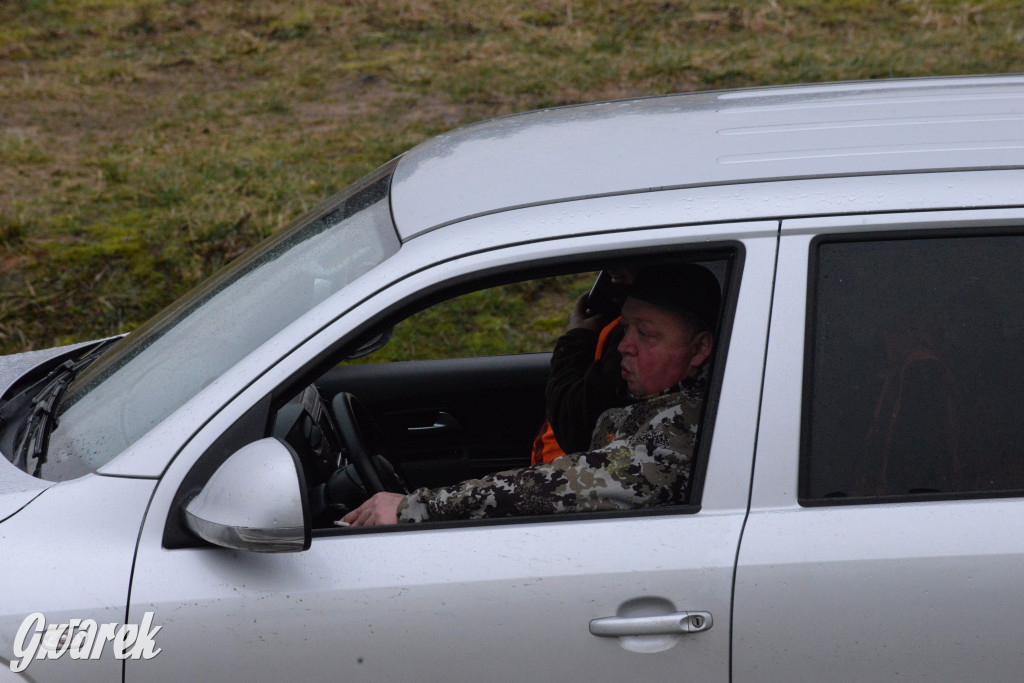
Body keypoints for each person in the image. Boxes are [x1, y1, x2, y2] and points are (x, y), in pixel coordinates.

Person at [342, 266, 719, 526]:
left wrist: (412, 509)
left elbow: (569, 485)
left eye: (647, 335)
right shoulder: (666, 399)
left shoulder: (683, 427)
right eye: (625, 329)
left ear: (700, 350)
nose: (624, 347)